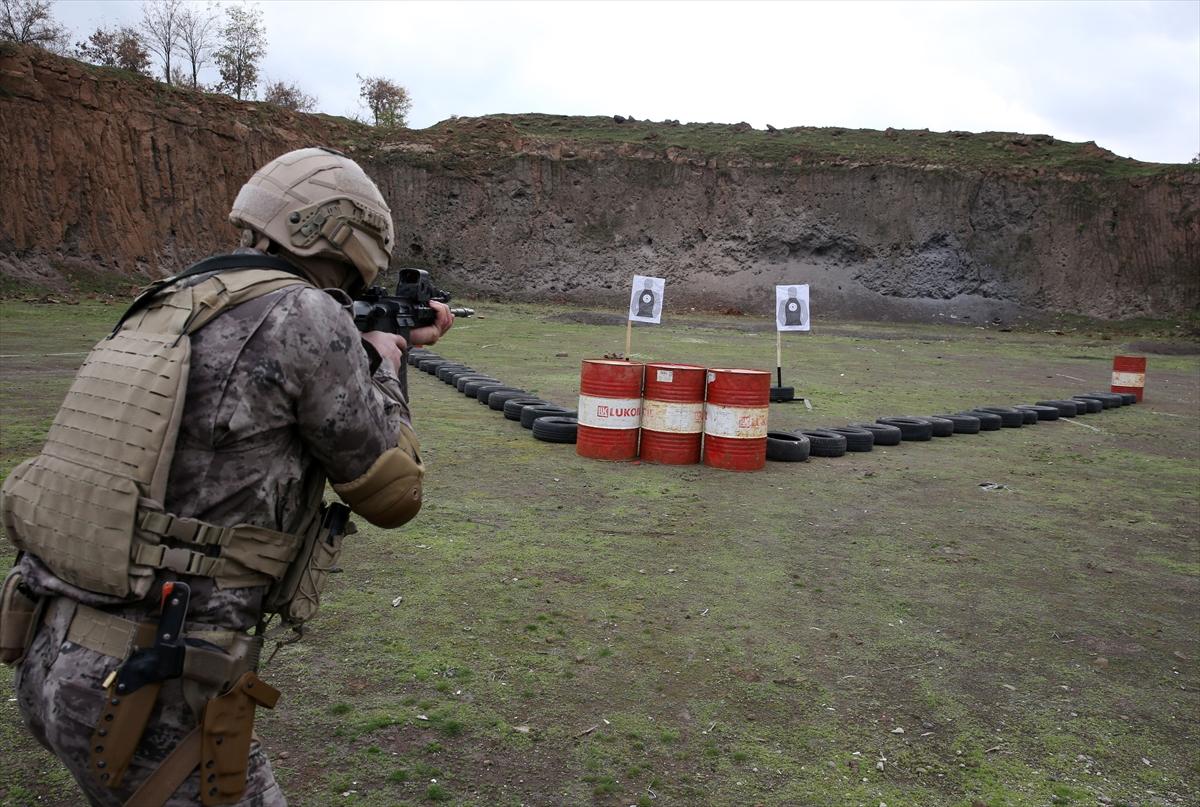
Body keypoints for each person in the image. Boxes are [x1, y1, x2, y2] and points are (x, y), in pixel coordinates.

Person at [0, 147, 452, 805]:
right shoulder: (306, 315)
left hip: (51, 647)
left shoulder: (173, 298)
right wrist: (388, 360)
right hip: (147, 682)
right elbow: (393, 491)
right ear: (341, 238)